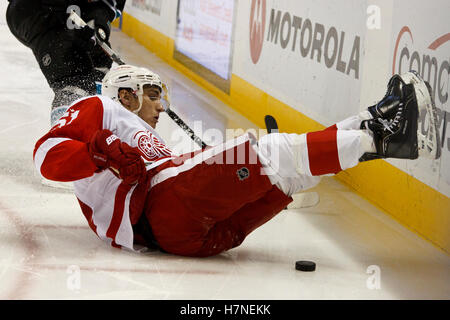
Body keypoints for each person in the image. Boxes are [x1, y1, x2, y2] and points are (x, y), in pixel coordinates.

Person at [33, 65, 440, 257]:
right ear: (125, 94)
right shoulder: (99, 107)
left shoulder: (147, 139)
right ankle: (385, 137)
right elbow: (45, 157)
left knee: (287, 176)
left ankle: (372, 121)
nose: (161, 105)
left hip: (190, 238)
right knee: (274, 154)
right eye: (153, 93)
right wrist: (95, 150)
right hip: (162, 211)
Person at [6, 0, 126, 125]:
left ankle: (95, 124)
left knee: (99, 60)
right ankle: (64, 138)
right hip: (37, 11)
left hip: (76, 11)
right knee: (72, 73)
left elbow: (108, 5)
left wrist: (99, 23)